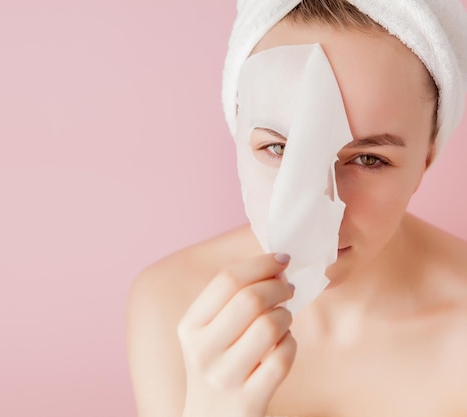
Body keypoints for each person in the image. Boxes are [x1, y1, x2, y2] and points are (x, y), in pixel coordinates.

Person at [126, 1, 467, 416]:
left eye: (369, 159)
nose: (318, 205)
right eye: (279, 148)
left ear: (425, 161)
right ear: (237, 134)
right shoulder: (171, 302)